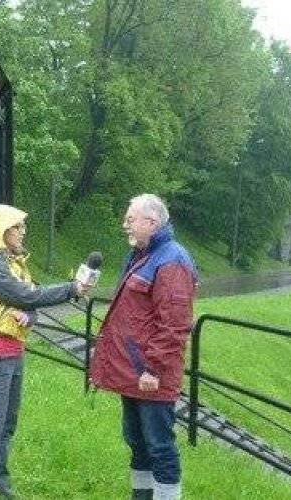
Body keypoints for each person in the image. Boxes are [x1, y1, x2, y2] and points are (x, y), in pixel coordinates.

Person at [0, 203, 92, 500]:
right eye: (17, 227)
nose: (23, 232)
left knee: (7, 425)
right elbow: (25, 294)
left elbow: (29, 303)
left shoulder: (16, 262)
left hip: (14, 351)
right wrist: (71, 289)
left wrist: (29, 316)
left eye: (23, 226)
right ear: (1, 229)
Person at [89, 194, 197, 500]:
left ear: (151, 223)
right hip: (132, 374)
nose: (125, 225)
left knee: (160, 447)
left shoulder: (172, 260)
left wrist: (153, 368)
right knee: (136, 442)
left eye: (130, 219)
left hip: (151, 376)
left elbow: (174, 324)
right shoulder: (143, 255)